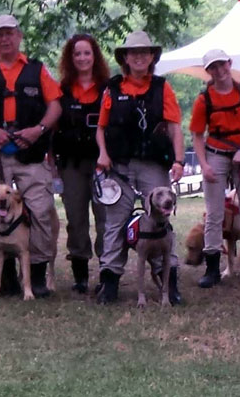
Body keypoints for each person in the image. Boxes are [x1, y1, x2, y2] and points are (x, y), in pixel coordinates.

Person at [0, 14, 63, 298]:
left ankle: (38, 277)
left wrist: (39, 129)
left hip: (30, 150)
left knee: (40, 208)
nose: (5, 39)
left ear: (19, 36)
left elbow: (55, 106)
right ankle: (4, 278)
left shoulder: (37, 70)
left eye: (10, 33)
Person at [92, 31, 185, 305]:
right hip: (119, 166)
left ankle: (169, 282)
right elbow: (101, 128)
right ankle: (110, 281)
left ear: (152, 57)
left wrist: (179, 161)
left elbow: (175, 128)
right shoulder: (112, 88)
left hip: (152, 165)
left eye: (145, 52)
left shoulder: (162, 88)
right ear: (125, 58)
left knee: (161, 222)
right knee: (115, 223)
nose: (139, 57)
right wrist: (103, 155)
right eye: (134, 53)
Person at [188, 49, 240, 289]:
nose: (219, 70)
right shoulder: (203, 100)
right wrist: (204, 165)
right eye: (213, 67)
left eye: (222, 65)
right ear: (208, 72)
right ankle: (212, 268)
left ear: (229, 64)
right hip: (215, 152)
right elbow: (196, 135)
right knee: (214, 214)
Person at [50, 33, 108, 294]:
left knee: (106, 219)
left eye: (87, 53)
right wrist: (53, 166)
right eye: (77, 54)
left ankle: (109, 272)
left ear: (94, 56)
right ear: (69, 59)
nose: (82, 58)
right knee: (76, 219)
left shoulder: (109, 87)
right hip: (71, 165)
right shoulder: (60, 90)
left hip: (103, 165)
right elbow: (51, 130)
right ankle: (81, 275)